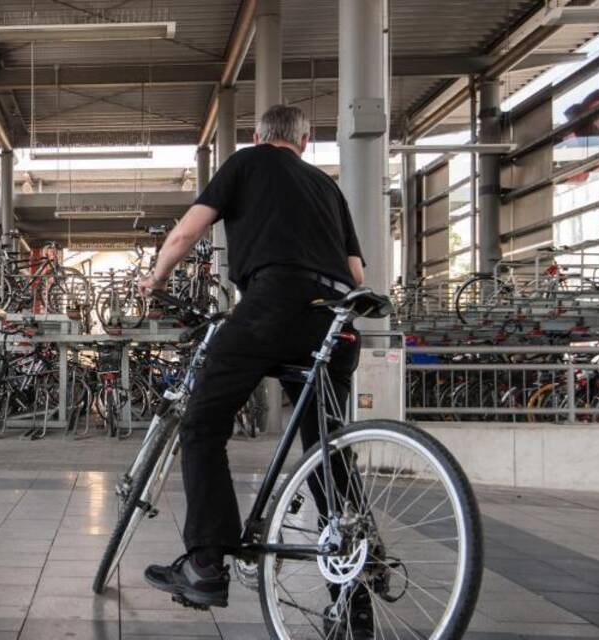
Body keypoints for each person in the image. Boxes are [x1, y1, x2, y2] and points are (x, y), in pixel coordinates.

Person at [135, 104, 371, 637]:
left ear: (259, 136)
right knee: (328, 455)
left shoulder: (246, 163)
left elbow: (184, 234)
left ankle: (205, 563)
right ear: (305, 141)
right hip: (333, 321)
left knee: (203, 423)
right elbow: (357, 270)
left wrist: (156, 278)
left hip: (272, 305)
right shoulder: (327, 187)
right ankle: (353, 589)